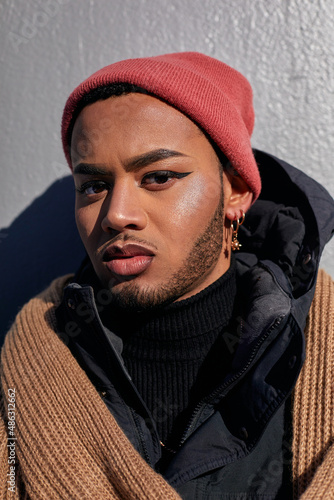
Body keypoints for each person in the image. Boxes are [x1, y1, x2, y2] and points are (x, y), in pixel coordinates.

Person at [1, 52, 333, 499]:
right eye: (93, 186)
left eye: (158, 176)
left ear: (235, 190)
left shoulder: (321, 348)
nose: (116, 215)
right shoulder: (30, 371)